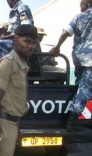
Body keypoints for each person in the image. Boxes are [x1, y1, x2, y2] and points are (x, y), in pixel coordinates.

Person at [0, 25, 38, 156]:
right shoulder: (7, 63)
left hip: (11, 125)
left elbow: (14, 101)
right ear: (15, 40)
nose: (31, 46)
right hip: (2, 126)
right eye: (26, 41)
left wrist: (16, 127)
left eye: (34, 43)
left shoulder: (21, 65)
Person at [49, 0, 92, 132]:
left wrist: (57, 47)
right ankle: (72, 120)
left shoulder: (79, 16)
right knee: (85, 89)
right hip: (90, 59)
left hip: (79, 57)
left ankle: (75, 114)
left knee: (80, 86)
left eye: (82, 4)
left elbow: (65, 32)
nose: (80, 7)